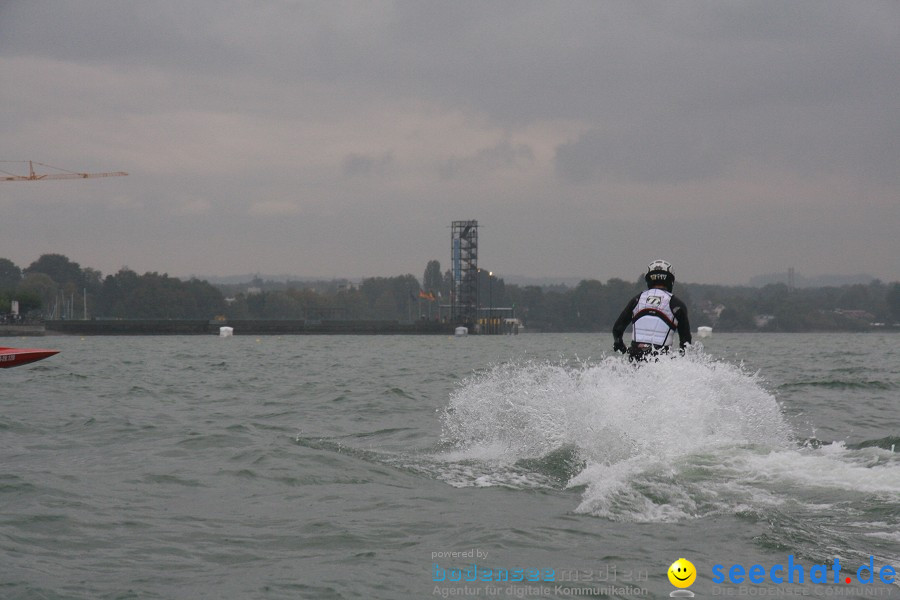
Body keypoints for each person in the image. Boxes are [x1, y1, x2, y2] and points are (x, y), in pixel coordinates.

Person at [613, 259, 692, 361]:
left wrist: (620, 345)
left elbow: (617, 329)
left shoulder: (637, 299)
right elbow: (686, 341)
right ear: (670, 280)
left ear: (649, 279)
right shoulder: (677, 304)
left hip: (636, 355)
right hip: (661, 358)